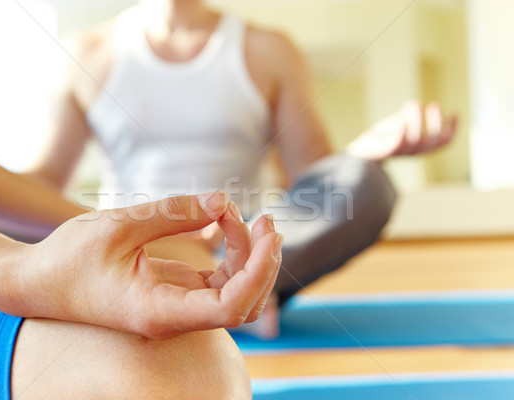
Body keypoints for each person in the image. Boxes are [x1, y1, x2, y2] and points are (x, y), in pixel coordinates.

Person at [0, 0, 282, 398]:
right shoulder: (91, 52)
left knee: (189, 360)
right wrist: (17, 273)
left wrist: (103, 237)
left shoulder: (270, 49)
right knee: (171, 371)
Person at [27, 0, 457, 336]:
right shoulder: (87, 53)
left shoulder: (269, 50)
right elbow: (42, 183)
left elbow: (317, 179)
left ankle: (234, 287)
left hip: (237, 246)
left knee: (367, 186)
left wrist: (364, 152)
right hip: (131, 248)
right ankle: (205, 298)